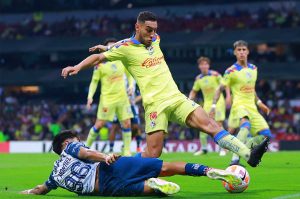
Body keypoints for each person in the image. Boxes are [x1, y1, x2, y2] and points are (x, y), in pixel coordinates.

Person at [61, 11, 269, 167]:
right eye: (148, 30)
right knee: (153, 154)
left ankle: (248, 154)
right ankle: (116, 165)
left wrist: (108, 46)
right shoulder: (125, 49)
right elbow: (98, 57)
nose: (153, 34)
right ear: (138, 27)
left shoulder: (156, 39)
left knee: (210, 123)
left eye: (155, 30)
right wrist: (78, 66)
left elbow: (120, 43)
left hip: (176, 97)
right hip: (154, 106)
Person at [21, 130, 242, 196]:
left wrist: (28, 192)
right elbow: (86, 153)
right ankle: (210, 170)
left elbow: (42, 189)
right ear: (66, 142)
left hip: (106, 189)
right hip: (109, 167)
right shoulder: (70, 147)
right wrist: (105, 156)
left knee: (148, 189)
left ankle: (153, 186)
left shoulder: (54, 175)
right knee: (165, 166)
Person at [210, 40, 272, 165]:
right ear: (235, 52)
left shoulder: (254, 69)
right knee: (245, 125)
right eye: (239, 50)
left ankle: (246, 149)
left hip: (252, 107)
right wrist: (213, 106)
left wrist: (260, 103)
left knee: (266, 136)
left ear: (248, 51)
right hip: (239, 105)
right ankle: (235, 160)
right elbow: (219, 88)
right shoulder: (230, 71)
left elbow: (252, 89)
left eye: (244, 49)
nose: (242, 52)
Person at [85, 38, 134, 156]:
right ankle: (86, 148)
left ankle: (127, 151)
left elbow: (130, 74)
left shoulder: (122, 60)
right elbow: (94, 82)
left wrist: (131, 86)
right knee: (99, 124)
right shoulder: (99, 65)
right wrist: (90, 96)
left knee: (127, 123)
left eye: (114, 46)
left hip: (122, 98)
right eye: (110, 47)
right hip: (107, 99)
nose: (113, 48)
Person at [189, 56, 229, 156]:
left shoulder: (215, 75)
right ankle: (204, 148)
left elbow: (225, 84)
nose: (204, 66)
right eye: (202, 64)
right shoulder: (198, 79)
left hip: (219, 101)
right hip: (207, 103)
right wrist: (189, 101)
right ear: (199, 66)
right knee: (202, 124)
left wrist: (228, 96)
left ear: (208, 65)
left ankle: (223, 149)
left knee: (218, 124)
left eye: (205, 64)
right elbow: (194, 91)